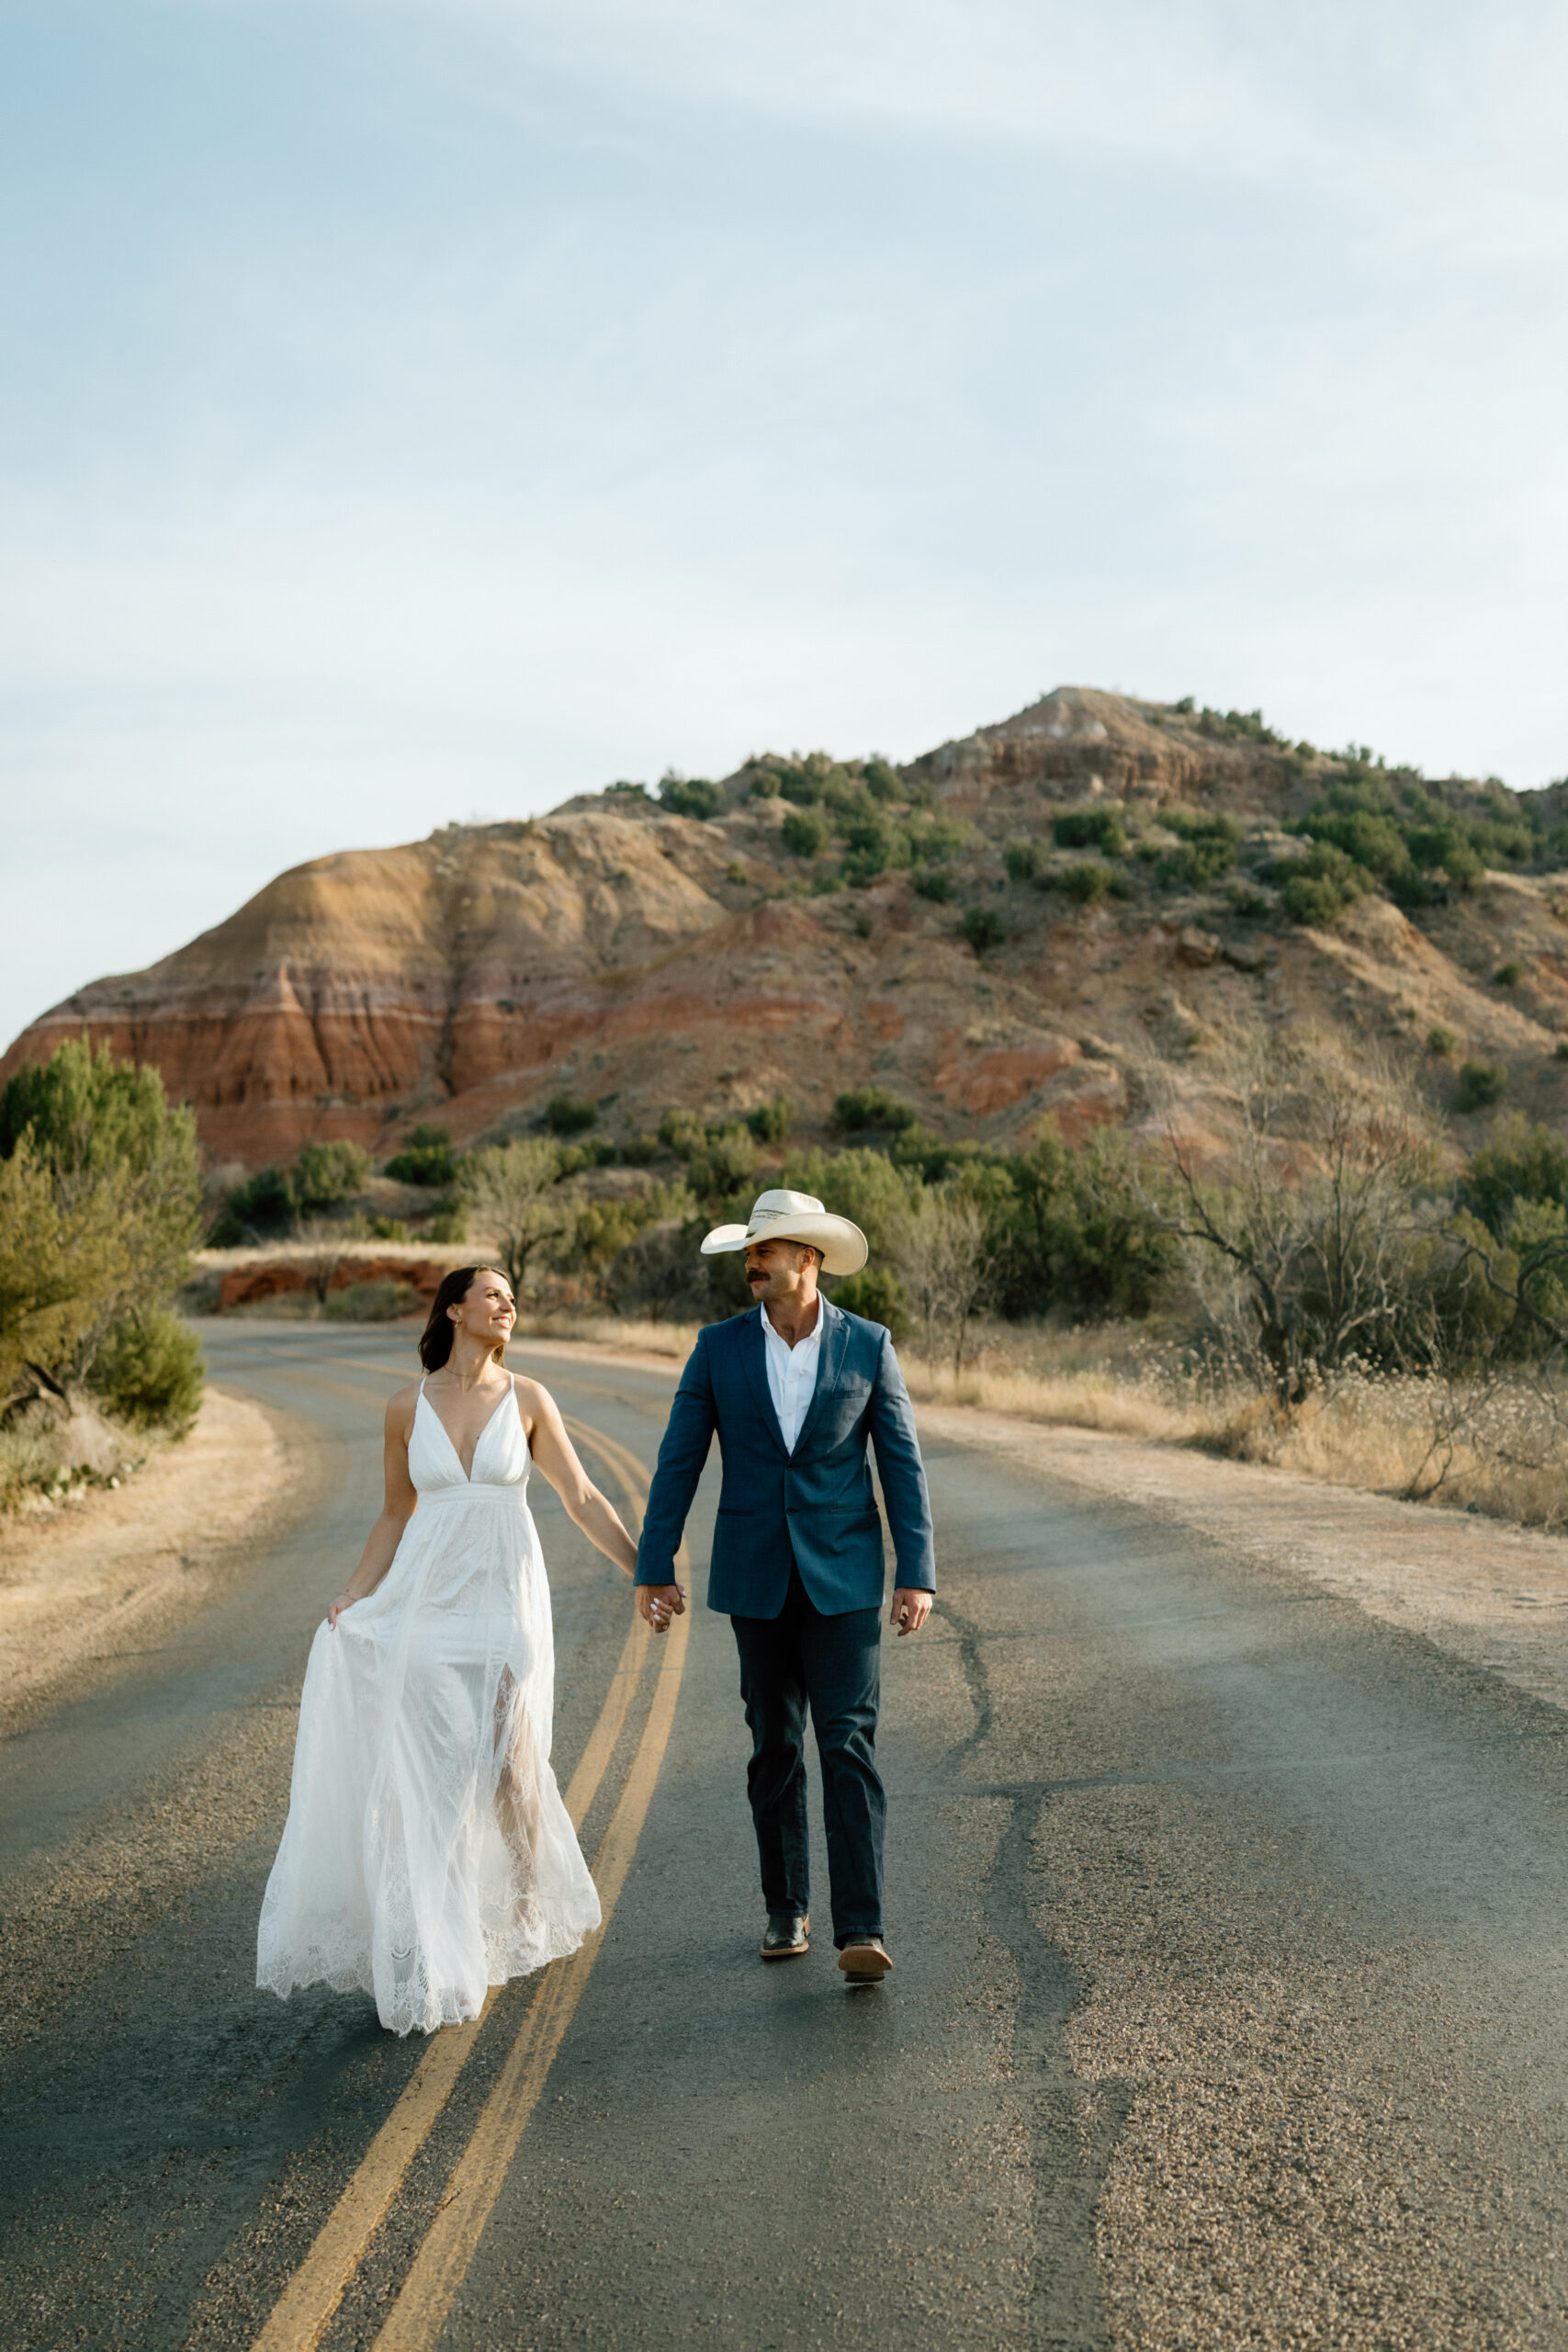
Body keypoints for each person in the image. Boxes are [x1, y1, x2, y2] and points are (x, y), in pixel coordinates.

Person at [256, 1264, 639, 2036]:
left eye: (512, 1299)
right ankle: (440, 1943)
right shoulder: (405, 1407)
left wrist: (647, 1570)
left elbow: (582, 1497)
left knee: (508, 1763)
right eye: (493, 1295)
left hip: (505, 1598)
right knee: (431, 1772)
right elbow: (396, 1515)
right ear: (455, 1310)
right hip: (427, 1601)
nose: (508, 1307)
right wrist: (356, 1592)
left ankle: (528, 1900)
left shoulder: (528, 1399)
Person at [634, 1188, 935, 1981]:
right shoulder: (717, 1348)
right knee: (773, 1748)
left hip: (844, 1580)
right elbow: (678, 1460)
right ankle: (785, 1907)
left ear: (808, 1259)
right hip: (755, 1576)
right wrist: (653, 1564)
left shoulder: (868, 1345)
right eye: (748, 1252)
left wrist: (917, 1574)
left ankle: (861, 1927)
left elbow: (900, 1463)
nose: (750, 1263)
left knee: (847, 1745)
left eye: (762, 1251)